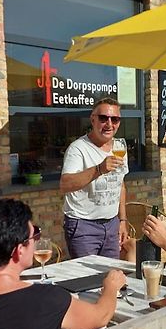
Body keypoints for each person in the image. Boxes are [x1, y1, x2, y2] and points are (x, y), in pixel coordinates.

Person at [0, 198, 126, 329]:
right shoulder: (46, 300)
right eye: (35, 234)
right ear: (19, 251)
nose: (36, 240)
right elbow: (100, 317)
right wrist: (111, 287)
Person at [60, 98, 128, 259]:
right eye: (103, 118)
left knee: (113, 275)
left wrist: (122, 220)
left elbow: (120, 184)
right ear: (93, 119)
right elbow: (65, 184)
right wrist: (99, 169)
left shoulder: (119, 147)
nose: (109, 124)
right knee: (88, 280)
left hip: (111, 225)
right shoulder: (78, 148)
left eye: (115, 119)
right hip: (84, 226)